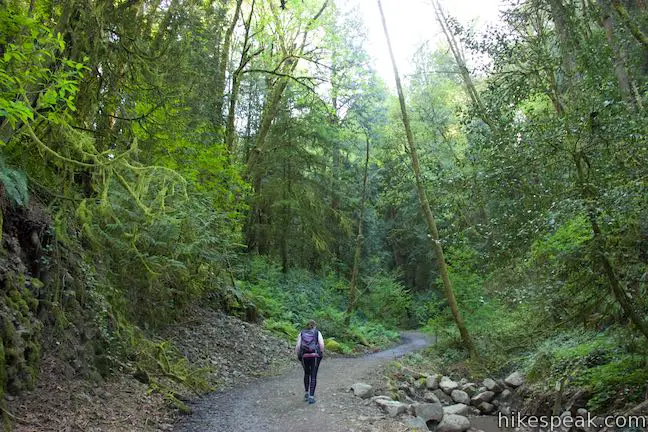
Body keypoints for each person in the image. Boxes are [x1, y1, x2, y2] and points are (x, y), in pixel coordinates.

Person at [295, 319, 325, 404]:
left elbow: (297, 346)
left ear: (307, 325)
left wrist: (299, 356)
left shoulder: (301, 333)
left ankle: (306, 393)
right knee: (313, 375)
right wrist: (321, 353)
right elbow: (321, 345)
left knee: (306, 374)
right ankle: (311, 397)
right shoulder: (317, 332)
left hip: (304, 356)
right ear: (315, 325)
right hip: (315, 356)